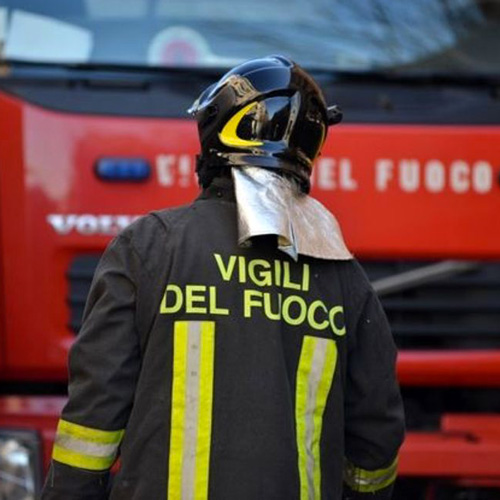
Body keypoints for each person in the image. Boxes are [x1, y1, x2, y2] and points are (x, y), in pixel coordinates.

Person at [41, 55, 405, 500]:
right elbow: (375, 439)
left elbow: (93, 418)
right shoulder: (344, 276)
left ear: (215, 134)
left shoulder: (149, 247)